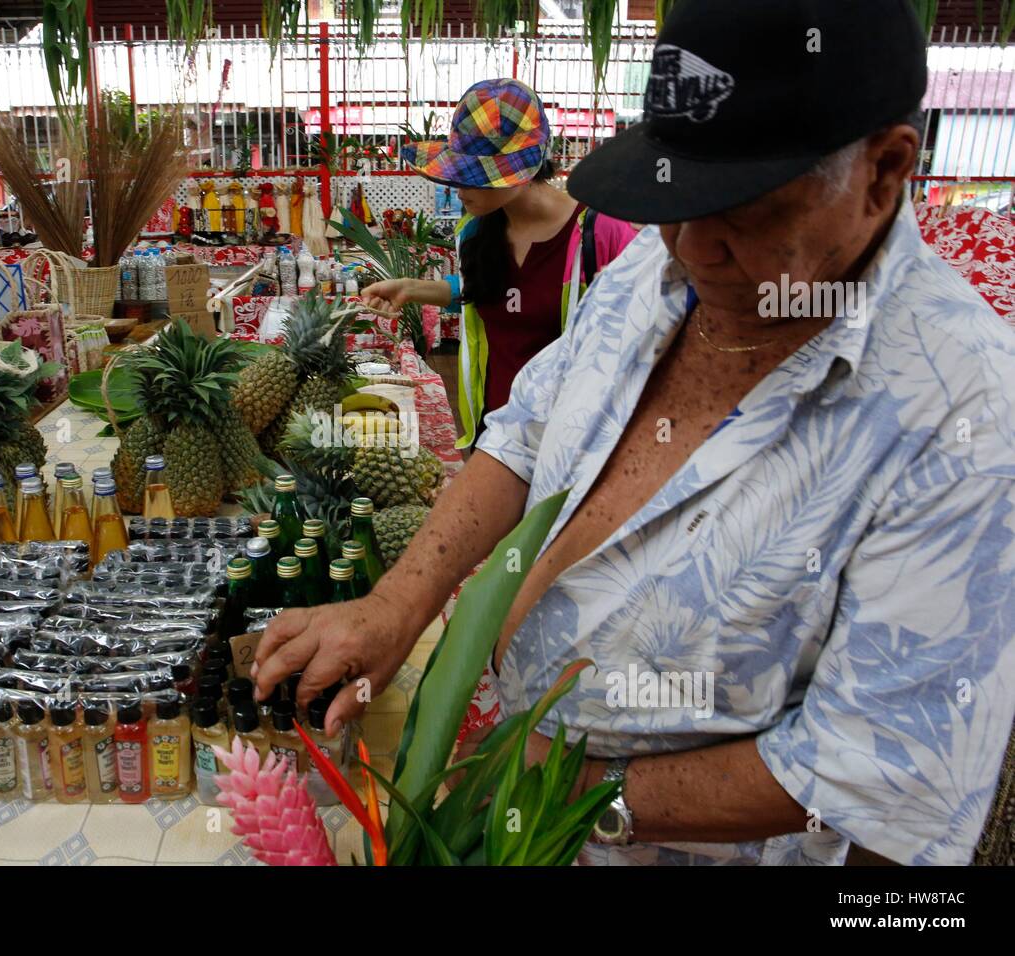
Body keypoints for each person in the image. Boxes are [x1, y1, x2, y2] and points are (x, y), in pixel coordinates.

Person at [255, 0, 1015, 866]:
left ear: (884, 171)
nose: (690, 245)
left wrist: (565, 791)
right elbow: (526, 431)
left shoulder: (965, 415)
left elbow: (880, 773)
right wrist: (392, 608)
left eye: (742, 209)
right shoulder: (660, 265)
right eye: (674, 198)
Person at [361, 79, 636, 447]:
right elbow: (488, 293)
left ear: (523, 171)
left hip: (573, 446)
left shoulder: (601, 234)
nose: (459, 187)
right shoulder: (475, 232)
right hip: (493, 436)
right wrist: (413, 289)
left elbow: (645, 339)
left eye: (474, 177)